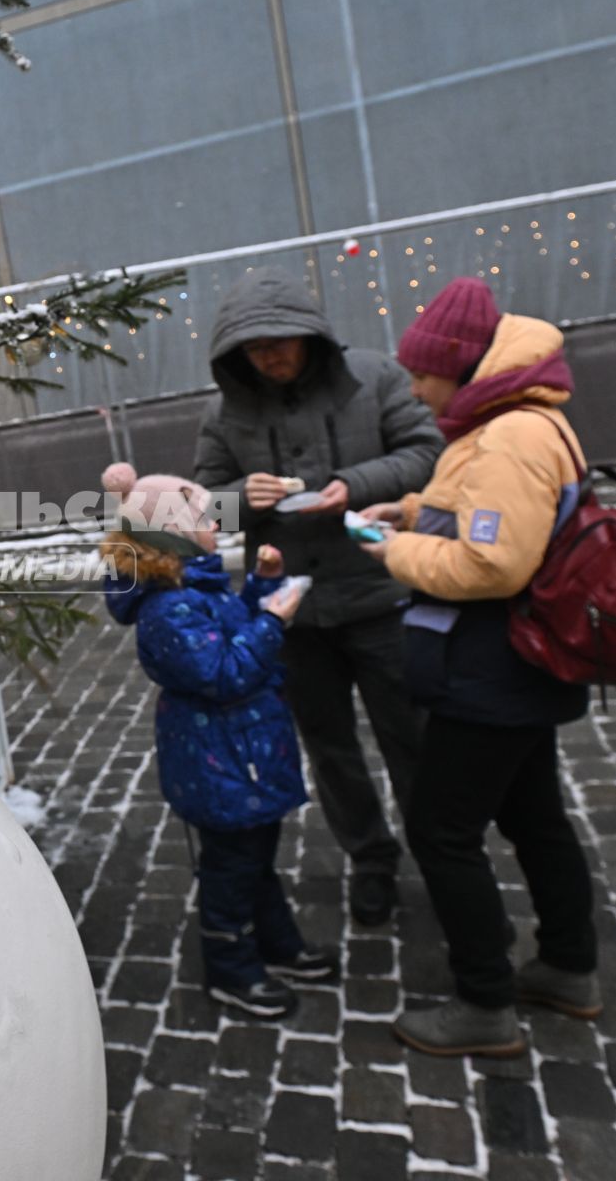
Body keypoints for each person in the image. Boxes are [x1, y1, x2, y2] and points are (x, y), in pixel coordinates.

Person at [355, 277, 599, 1059]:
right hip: (520, 667)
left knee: (441, 831)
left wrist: (390, 549)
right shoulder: (514, 420)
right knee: (534, 818)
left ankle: (485, 1004)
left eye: (423, 375)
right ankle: (567, 966)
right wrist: (414, 507)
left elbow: (493, 564)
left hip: (491, 670)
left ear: (461, 368)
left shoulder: (508, 437)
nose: (417, 389)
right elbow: (481, 507)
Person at [194, 267, 442, 926]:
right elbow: (204, 510)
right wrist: (240, 500)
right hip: (293, 614)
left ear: (311, 337)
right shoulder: (224, 412)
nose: (269, 356)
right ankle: (371, 858)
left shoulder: (376, 377)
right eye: (254, 348)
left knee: (412, 738)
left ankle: (444, 857)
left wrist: (352, 484)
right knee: (331, 748)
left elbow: (426, 452)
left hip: (382, 596)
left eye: (280, 341)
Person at [99, 461, 338, 1020]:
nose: (216, 523)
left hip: (243, 753)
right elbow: (225, 670)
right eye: (204, 517)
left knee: (253, 860)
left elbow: (231, 632)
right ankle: (230, 969)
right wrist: (274, 621)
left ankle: (279, 945)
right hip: (223, 761)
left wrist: (261, 585)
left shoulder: (195, 581)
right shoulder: (167, 608)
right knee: (231, 871)